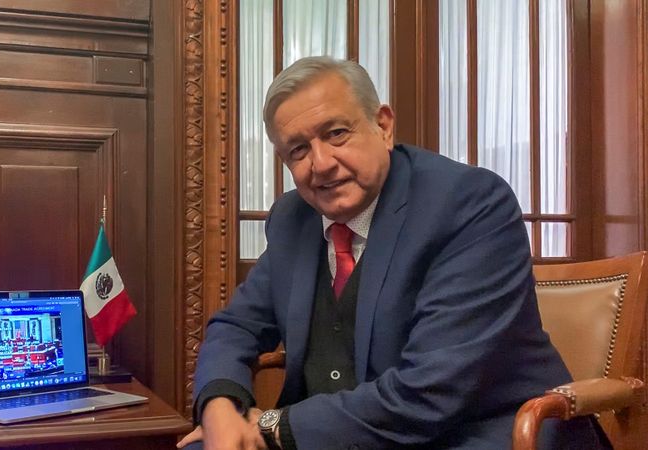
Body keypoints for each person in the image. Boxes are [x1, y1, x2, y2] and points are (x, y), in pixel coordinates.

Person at [178, 56, 608, 449]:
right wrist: (221, 407)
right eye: (299, 150)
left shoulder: (469, 203)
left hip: (472, 433)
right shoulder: (294, 218)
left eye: (336, 133)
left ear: (383, 126)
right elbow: (235, 326)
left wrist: (271, 427)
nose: (321, 163)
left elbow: (431, 392)